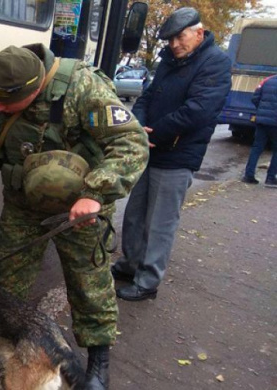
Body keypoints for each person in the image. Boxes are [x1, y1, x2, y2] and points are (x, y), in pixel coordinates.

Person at [0, 44, 148, 390]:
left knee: (88, 284)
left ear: (35, 89)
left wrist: (96, 193)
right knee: (5, 283)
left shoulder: (82, 88)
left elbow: (131, 144)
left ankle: (97, 362)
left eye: (6, 103)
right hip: (24, 205)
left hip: (80, 210)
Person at [112, 7, 232, 302]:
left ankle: (147, 281)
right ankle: (130, 264)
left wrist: (155, 132)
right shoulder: (168, 61)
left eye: (180, 37)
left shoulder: (215, 62)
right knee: (135, 214)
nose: (174, 44)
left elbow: (199, 111)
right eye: (170, 40)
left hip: (178, 155)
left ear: (198, 34)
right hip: (150, 149)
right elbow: (147, 97)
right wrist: (138, 126)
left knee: (160, 223)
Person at [242, 74, 277, 187]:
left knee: (257, 147)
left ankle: (249, 175)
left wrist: (261, 110)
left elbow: (255, 98)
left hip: (261, 120)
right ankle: (270, 178)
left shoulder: (267, 81)